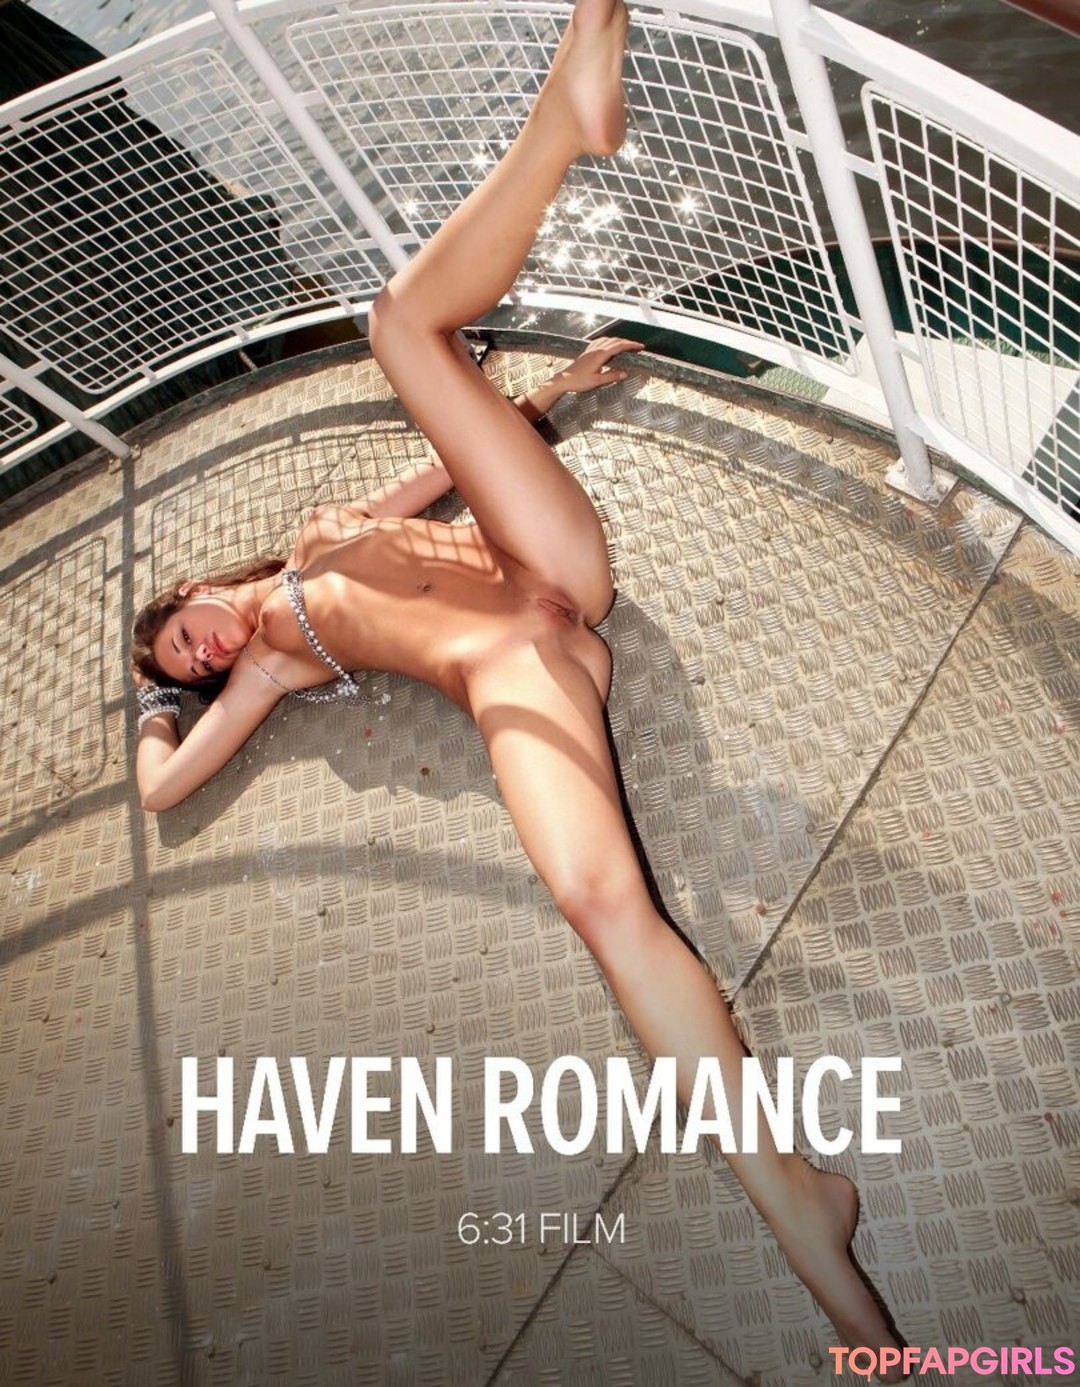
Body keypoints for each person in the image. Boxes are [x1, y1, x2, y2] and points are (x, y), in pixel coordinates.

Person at [131, 0, 903, 1372]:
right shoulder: (275, 664)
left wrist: (557, 396)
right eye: (179, 669)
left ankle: (571, 98)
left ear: (194, 588)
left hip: (536, 555)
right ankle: (801, 1214)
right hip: (521, 660)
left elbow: (448, 464)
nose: (190, 657)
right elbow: (165, 789)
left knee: (404, 331)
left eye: (175, 636)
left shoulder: (315, 534)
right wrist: (150, 714)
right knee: (602, 906)